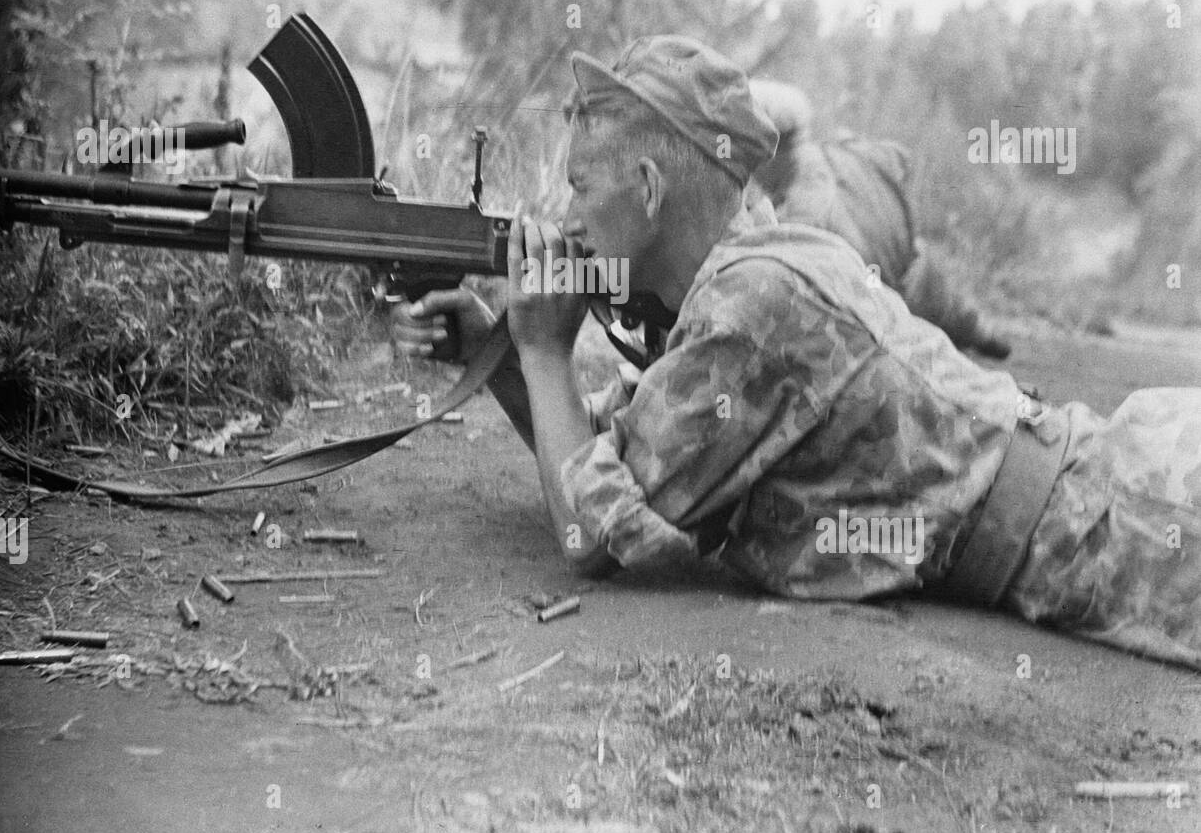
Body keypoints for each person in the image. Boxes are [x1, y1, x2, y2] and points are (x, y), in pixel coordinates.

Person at [393, 36, 1200, 670]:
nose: (565, 219)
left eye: (579, 186)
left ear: (646, 187)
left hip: (1130, 520)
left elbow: (588, 540)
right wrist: (498, 357)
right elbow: (622, 461)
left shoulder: (752, 307)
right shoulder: (746, 279)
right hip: (1107, 495)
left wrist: (540, 351)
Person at [749, 80, 1011, 358]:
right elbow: (897, 163)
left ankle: (982, 338)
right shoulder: (837, 154)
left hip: (890, 297)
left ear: (767, 148)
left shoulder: (806, 214)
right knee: (960, 317)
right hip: (914, 266)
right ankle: (984, 334)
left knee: (940, 343)